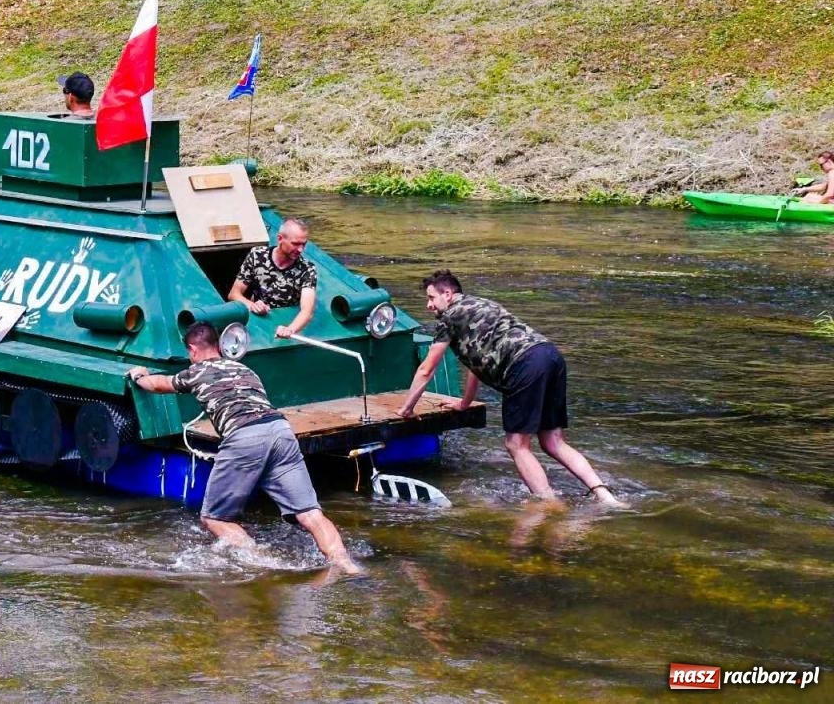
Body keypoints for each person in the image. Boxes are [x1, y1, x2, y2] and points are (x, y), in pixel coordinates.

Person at [126, 322, 362, 571]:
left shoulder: (196, 372)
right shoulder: (245, 369)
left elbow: (159, 384)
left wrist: (140, 375)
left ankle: (263, 562)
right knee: (310, 514)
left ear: (193, 350)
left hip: (244, 436)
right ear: (218, 346)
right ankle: (347, 566)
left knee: (213, 517)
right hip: (281, 431)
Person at [399, 270, 625, 506]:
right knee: (553, 441)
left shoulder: (450, 318)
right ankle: (605, 496)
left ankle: (550, 505)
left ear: (448, 293)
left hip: (524, 365)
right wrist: (464, 404)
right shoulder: (483, 305)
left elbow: (427, 368)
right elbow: (476, 364)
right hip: (550, 355)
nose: (428, 305)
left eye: (431, 298)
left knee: (516, 444)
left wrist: (406, 408)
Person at [228, 218, 316, 339]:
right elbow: (234, 294)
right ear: (280, 239)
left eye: (304, 244)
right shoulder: (257, 255)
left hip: (285, 321)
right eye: (295, 244)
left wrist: (290, 329)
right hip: (258, 321)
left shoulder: (307, 269)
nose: (300, 249)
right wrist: (252, 306)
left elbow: (307, 311)